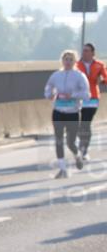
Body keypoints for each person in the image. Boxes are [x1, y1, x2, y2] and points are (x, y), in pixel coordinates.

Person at [44, 49, 90, 179]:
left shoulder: (79, 76)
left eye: (71, 59)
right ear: (62, 61)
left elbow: (86, 95)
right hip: (58, 111)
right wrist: (49, 94)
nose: (68, 62)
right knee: (58, 140)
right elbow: (48, 87)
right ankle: (62, 169)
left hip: (73, 112)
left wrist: (73, 95)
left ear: (75, 61)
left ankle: (77, 155)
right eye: (66, 59)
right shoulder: (56, 75)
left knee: (70, 142)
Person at [77, 42, 105, 162]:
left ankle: (84, 150)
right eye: (83, 50)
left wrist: (102, 80)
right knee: (78, 125)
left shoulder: (99, 65)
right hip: (78, 98)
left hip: (92, 98)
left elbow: (106, 77)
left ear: (93, 53)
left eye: (87, 50)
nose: (84, 53)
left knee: (85, 123)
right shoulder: (76, 64)